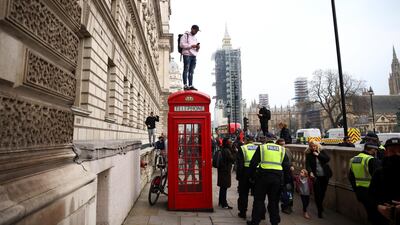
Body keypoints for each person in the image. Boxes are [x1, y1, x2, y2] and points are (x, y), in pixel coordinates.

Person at [247, 137, 290, 225]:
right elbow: (286, 167)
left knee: (259, 200)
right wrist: (286, 181)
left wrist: (251, 176)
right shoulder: (281, 149)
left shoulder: (262, 148)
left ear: (266, 142)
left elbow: (253, 163)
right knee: (274, 201)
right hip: (277, 179)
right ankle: (274, 222)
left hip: (263, 177)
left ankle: (255, 222)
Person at [369, 138, 400, 225]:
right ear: (386, 152)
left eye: (399, 151)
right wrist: (379, 207)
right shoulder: (379, 173)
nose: (397, 154)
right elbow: (371, 196)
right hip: (383, 219)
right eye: (393, 151)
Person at [349, 142, 381, 224]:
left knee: (370, 213)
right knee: (376, 216)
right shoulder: (370, 160)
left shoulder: (353, 159)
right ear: (373, 150)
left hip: (360, 191)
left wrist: (356, 190)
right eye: (376, 150)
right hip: (371, 192)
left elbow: (351, 177)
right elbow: (379, 178)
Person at [305, 140, 332, 218]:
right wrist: (310, 172)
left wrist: (318, 155)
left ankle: (320, 206)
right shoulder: (309, 154)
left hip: (325, 176)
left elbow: (327, 159)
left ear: (317, 145)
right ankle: (320, 211)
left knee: (323, 193)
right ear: (309, 147)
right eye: (311, 146)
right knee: (317, 194)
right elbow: (307, 165)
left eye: (314, 146)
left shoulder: (322, 151)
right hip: (316, 177)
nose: (313, 148)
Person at [237, 135, 258, 219]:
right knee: (258, 195)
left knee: (243, 194)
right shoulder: (258, 148)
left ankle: (243, 212)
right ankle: (259, 214)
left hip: (245, 172)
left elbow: (240, 164)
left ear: (245, 140)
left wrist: (238, 176)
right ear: (253, 140)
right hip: (256, 172)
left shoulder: (243, 148)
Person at [276, 138, 294, 214]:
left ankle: (288, 206)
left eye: (283, 144)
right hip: (280, 174)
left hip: (288, 174)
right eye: (281, 145)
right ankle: (278, 206)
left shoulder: (288, 151)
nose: (283, 146)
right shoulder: (276, 152)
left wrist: (292, 166)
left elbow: (292, 160)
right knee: (279, 192)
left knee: (288, 191)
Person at [180, 25, 200, 91]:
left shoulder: (195, 38)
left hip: (193, 56)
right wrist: (191, 46)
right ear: (192, 29)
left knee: (191, 71)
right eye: (195, 30)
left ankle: (191, 85)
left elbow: (196, 49)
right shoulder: (185, 35)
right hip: (187, 55)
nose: (196, 32)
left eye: (197, 31)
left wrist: (197, 48)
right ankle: (185, 85)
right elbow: (182, 44)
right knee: (186, 69)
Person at [217, 137, 236, 209]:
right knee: (224, 187)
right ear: (227, 143)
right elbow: (232, 159)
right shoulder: (227, 151)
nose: (231, 143)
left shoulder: (223, 149)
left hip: (222, 171)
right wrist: (234, 152)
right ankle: (224, 203)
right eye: (230, 142)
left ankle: (221, 201)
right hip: (225, 171)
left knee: (222, 187)